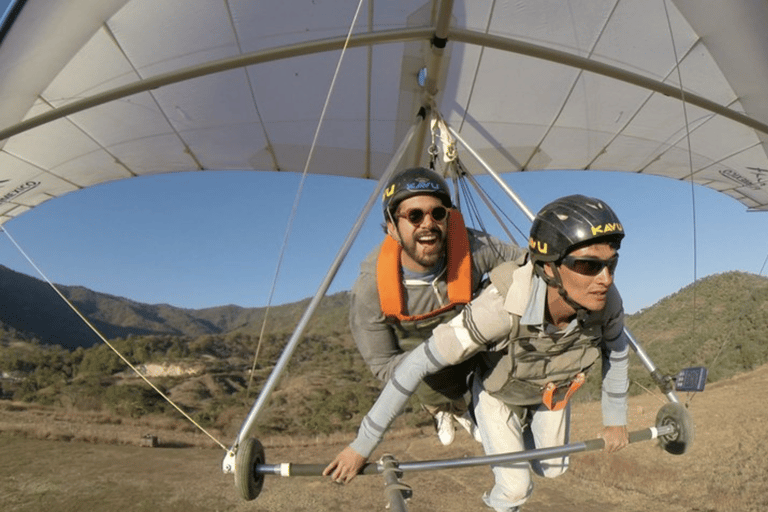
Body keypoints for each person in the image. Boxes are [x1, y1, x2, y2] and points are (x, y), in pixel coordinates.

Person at [325, 194, 631, 511]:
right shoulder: (500, 306)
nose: (605, 279)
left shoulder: (607, 301)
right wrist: (361, 445)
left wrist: (615, 420)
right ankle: (478, 423)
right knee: (515, 489)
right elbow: (413, 365)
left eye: (612, 263)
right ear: (550, 268)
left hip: (551, 389)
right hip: (499, 391)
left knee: (552, 468)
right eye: (588, 265)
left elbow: (617, 352)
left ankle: (514, 433)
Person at [350, 167, 525, 445]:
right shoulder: (371, 287)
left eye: (438, 213)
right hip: (427, 362)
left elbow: (528, 265)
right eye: (414, 216)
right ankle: (440, 408)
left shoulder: (474, 247)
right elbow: (383, 364)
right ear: (393, 227)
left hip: (474, 340)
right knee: (437, 385)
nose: (427, 224)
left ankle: (469, 405)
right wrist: (436, 357)